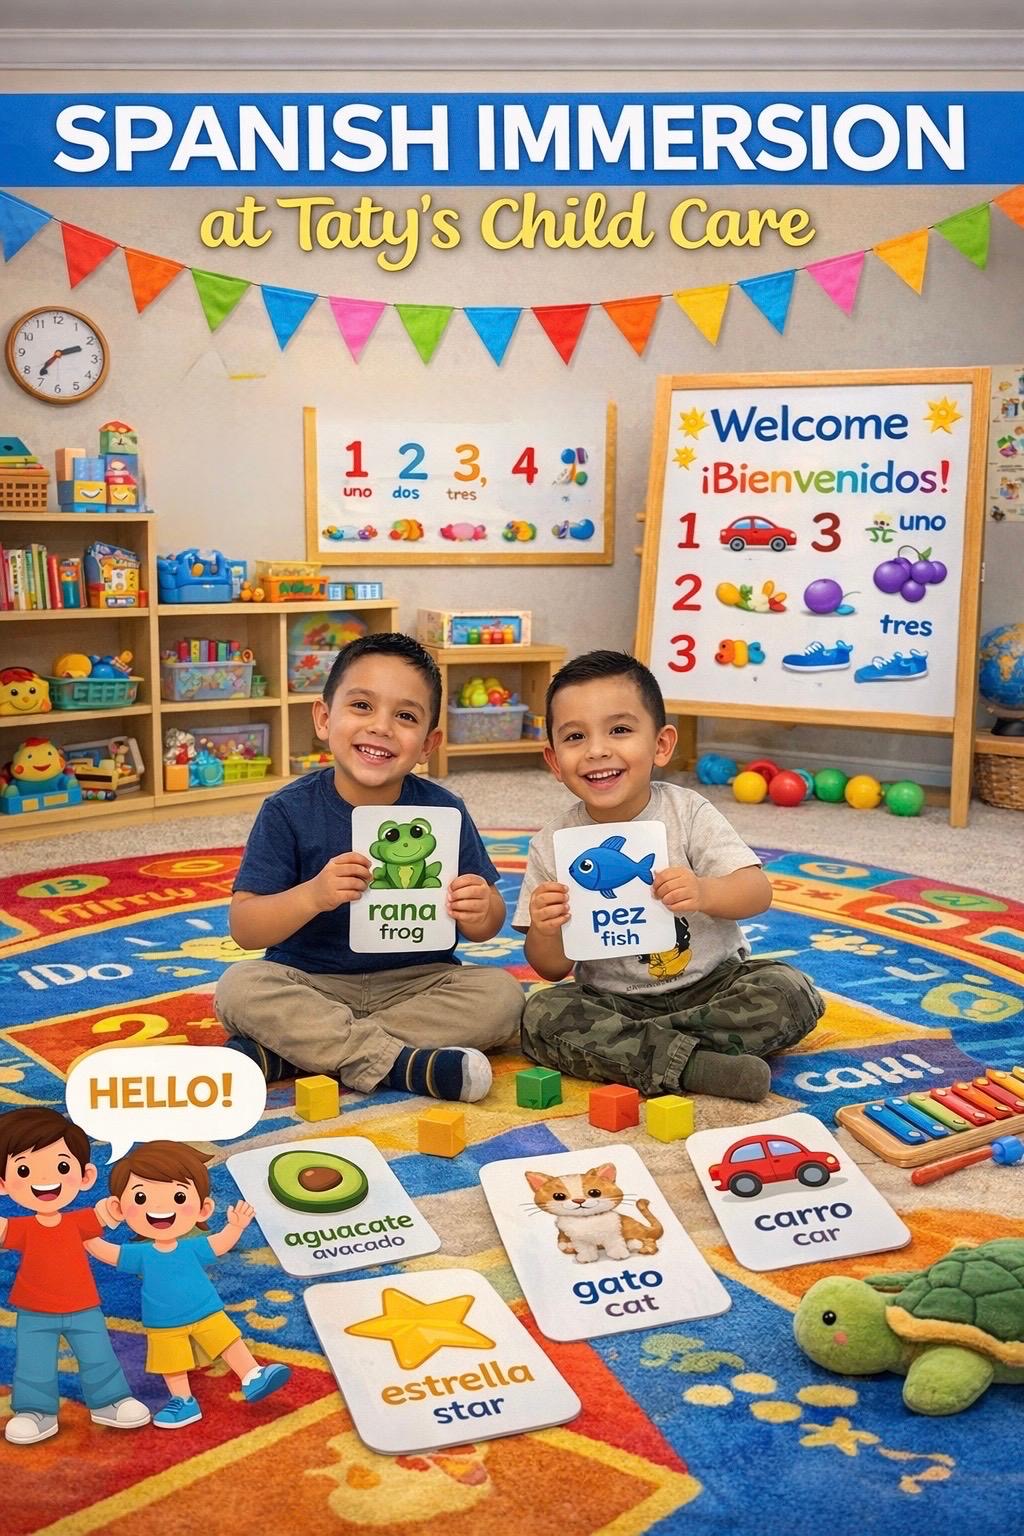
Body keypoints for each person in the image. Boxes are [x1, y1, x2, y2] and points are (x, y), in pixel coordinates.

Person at [215, 633, 523, 1102]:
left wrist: (481, 908)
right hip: (311, 983)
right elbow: (246, 929)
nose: (381, 727)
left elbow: (487, 924)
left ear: (428, 743)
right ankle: (402, 1066)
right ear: (324, 717)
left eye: (405, 716)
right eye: (362, 706)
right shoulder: (288, 809)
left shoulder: (444, 811)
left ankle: (292, 1054)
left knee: (503, 997)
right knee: (240, 988)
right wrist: (312, 895)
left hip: (420, 983)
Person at [515, 650, 824, 1102]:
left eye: (619, 730)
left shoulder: (689, 812)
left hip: (714, 986)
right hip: (616, 1001)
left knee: (790, 991)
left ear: (661, 744)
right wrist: (546, 928)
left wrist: (705, 891)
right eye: (575, 736)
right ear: (554, 760)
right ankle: (698, 1066)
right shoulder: (552, 842)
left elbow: (757, 891)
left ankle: (645, 1053)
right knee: (541, 1015)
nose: (598, 749)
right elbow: (550, 968)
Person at [88, 1140, 290, 1430]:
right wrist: (85, 1231)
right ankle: (182, 1400)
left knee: (227, 1340)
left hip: (206, 1310)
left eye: (178, 1198)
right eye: (142, 1198)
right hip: (164, 1323)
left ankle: (252, 1374)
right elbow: (106, 1252)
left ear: (204, 1209)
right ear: (120, 1208)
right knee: (172, 1361)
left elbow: (219, 1244)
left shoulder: (191, 1246)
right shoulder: (140, 1254)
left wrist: (235, 1227)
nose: (159, 1208)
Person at [0, 1108, 151, 1445]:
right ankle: (34, 1411)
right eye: (24, 1170)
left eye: (61, 1166)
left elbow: (105, 1214)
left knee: (97, 1353)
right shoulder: (22, 1228)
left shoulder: (77, 1220)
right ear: (3, 1184)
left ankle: (110, 1401)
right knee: (34, 1361)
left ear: (85, 1176)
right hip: (34, 1310)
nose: (44, 1180)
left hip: (83, 1305)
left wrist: (118, 1208)